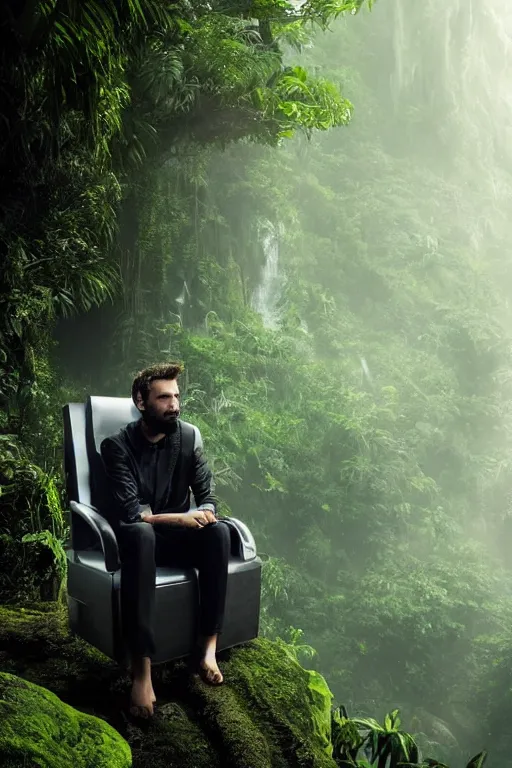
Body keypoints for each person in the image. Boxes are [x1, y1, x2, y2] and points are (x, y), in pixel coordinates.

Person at [100, 362, 230, 718]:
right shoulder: (116, 447)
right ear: (141, 402)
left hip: (175, 538)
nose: (174, 404)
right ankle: (142, 672)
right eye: (164, 398)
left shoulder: (188, 438)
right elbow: (134, 512)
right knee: (141, 534)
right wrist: (183, 517)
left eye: (176, 396)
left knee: (219, 532)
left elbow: (208, 496)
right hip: (136, 541)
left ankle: (208, 648)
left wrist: (204, 512)